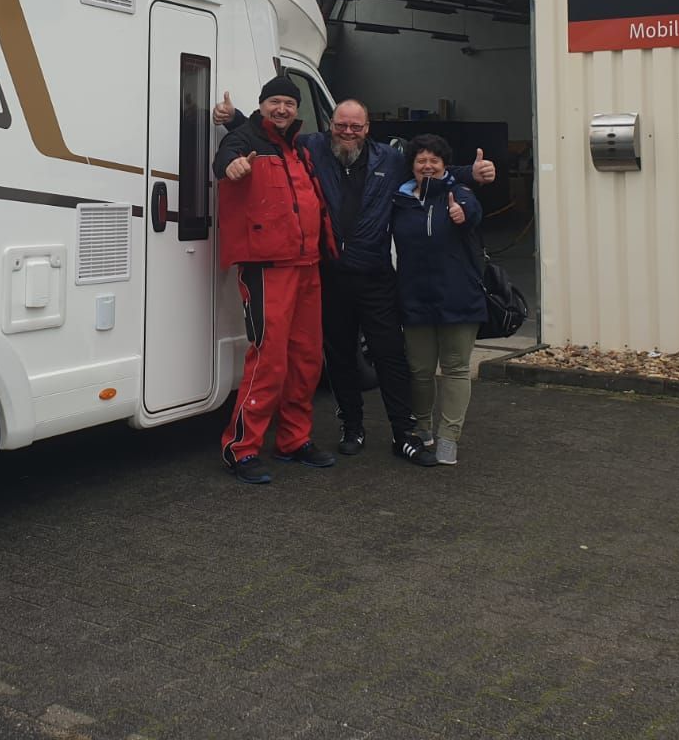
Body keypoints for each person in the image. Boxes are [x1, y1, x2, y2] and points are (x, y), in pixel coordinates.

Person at [214, 93, 495, 467]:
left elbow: (427, 170)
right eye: (341, 125)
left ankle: (403, 433)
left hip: (375, 272)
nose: (347, 132)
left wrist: (468, 174)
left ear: (367, 129)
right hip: (329, 271)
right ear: (330, 125)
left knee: (389, 355)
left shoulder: (390, 159)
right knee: (338, 356)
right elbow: (269, 133)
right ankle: (352, 427)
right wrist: (234, 121)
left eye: (355, 126)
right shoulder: (312, 147)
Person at [212, 76, 338, 485]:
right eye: (274, 102)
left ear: (296, 110)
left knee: (305, 359)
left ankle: (293, 440)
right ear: (262, 105)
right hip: (267, 268)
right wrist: (230, 165)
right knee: (268, 358)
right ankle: (241, 449)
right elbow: (225, 160)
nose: (281, 109)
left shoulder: (298, 147)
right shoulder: (244, 140)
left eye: (288, 103)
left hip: (306, 265)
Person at [391, 134, 488, 467]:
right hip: (414, 297)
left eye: (435, 161)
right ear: (412, 166)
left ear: (446, 166)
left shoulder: (458, 193)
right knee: (419, 370)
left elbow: (472, 210)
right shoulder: (400, 200)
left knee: (456, 369)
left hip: (459, 296)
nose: (427, 166)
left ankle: (449, 438)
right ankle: (422, 430)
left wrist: (463, 213)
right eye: (421, 160)